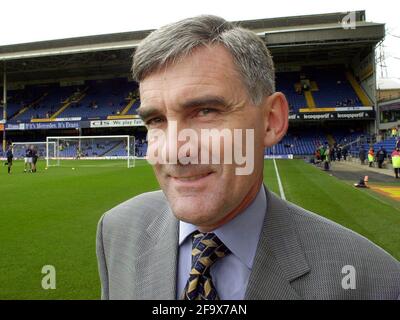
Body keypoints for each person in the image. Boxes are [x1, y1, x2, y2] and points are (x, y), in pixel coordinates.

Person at [96, 15, 400, 300]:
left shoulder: (374, 280)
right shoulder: (116, 231)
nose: (174, 150)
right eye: (156, 121)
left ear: (270, 120)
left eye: (205, 112)